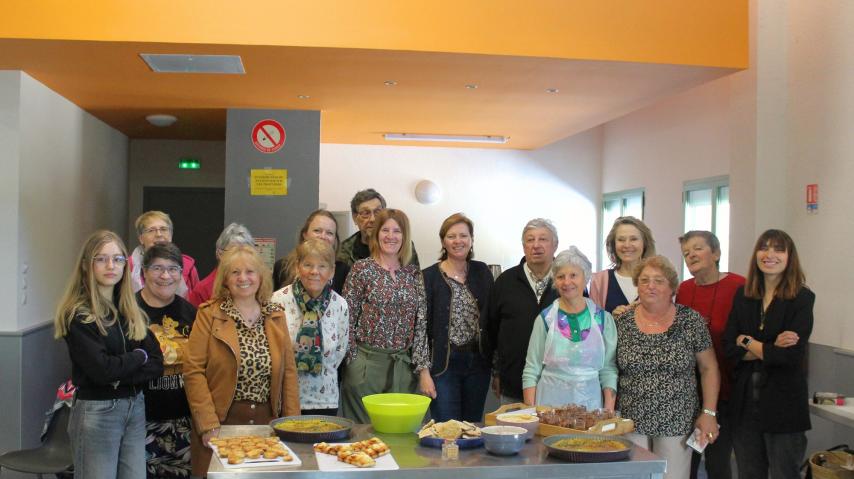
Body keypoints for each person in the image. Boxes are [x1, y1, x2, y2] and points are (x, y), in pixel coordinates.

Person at [53, 230, 164, 479]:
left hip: (135, 406)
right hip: (97, 412)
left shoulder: (129, 310)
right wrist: (138, 357)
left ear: (126, 264)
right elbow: (102, 371)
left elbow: (157, 362)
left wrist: (122, 370)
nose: (111, 265)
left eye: (117, 259)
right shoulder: (78, 314)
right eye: (101, 259)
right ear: (86, 266)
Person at [184, 245, 300, 477]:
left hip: (268, 425)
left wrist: (292, 426)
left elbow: (288, 373)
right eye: (235, 272)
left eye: (250, 271)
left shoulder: (275, 314)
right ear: (225, 279)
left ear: (261, 276)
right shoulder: (209, 314)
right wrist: (208, 424)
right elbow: (193, 371)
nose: (243, 278)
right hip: (221, 423)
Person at [616, 255, 720, 479]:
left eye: (659, 280)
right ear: (637, 285)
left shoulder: (690, 321)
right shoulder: (622, 322)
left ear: (672, 287)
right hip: (630, 420)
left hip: (677, 420)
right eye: (644, 280)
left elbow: (709, 368)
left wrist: (709, 412)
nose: (650, 286)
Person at [723, 230, 814, 479]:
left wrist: (748, 341)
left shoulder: (802, 298)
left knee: (785, 474)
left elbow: (790, 357)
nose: (769, 254)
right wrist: (771, 346)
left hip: (784, 405)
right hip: (745, 406)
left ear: (789, 257)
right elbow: (730, 348)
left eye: (778, 249)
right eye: (764, 248)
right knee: (749, 473)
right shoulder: (743, 295)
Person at [341, 209, 430, 423]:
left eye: (397, 231)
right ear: (377, 234)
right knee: (364, 435)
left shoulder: (413, 274)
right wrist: (353, 363)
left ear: (404, 236)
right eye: (385, 230)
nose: (391, 236)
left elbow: (421, 326)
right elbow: (346, 319)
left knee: (402, 434)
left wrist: (423, 370)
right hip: (366, 366)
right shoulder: (361, 269)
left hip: (403, 367)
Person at [676, 231, 745, 479]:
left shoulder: (739, 285)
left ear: (715, 253)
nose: (691, 255)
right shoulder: (683, 289)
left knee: (718, 460)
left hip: (730, 385)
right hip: (692, 389)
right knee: (690, 459)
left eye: (698, 249)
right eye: (686, 253)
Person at [522, 247, 617, 410]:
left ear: (585, 277)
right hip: (548, 407)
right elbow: (532, 370)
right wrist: (531, 412)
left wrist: (608, 410)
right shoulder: (545, 320)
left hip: (590, 407)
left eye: (573, 275)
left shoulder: (603, 319)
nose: (567, 282)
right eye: (560, 277)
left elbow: (608, 369)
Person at [421, 213, 494, 422]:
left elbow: (492, 320)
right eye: (451, 236)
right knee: (447, 430)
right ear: (443, 241)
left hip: (478, 364)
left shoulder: (482, 271)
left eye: (463, 235)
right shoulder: (428, 276)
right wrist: (423, 372)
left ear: (471, 240)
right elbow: (421, 329)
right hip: (444, 365)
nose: (458, 241)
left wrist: (496, 365)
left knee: (471, 429)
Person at [136, 243, 197, 479]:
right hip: (139, 421)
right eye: (157, 268)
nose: (165, 276)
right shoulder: (128, 311)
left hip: (183, 421)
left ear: (181, 274)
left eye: (173, 269)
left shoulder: (191, 314)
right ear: (144, 273)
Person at [486, 218, 560, 404]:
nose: (536, 245)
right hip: (513, 383)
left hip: (559, 385)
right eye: (530, 240)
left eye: (543, 239)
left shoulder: (568, 282)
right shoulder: (505, 282)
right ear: (523, 246)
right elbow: (491, 331)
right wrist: (497, 372)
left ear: (555, 245)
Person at [271, 239, 350, 415]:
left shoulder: (340, 305)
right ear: (298, 267)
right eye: (308, 265)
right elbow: (272, 351)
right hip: (286, 398)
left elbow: (339, 352)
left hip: (326, 400)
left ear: (332, 271)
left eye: (322, 266)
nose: (315, 272)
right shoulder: (277, 301)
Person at [273, 209, 351, 293]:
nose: (323, 236)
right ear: (305, 235)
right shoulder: (282, 267)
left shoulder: (343, 272)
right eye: (317, 231)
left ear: (335, 240)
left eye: (329, 233)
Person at [337, 188, 420, 267]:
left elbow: (415, 279)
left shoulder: (402, 245)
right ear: (355, 218)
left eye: (377, 212)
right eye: (366, 213)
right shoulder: (344, 251)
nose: (373, 219)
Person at [590, 216, 656, 314]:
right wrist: (611, 320)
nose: (627, 245)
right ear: (613, 244)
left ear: (644, 243)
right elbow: (593, 324)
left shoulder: (658, 280)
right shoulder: (599, 281)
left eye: (633, 239)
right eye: (621, 240)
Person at [128, 211, 200, 299]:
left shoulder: (188, 266)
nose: (159, 234)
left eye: (163, 229)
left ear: (171, 234)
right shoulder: (128, 267)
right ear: (141, 238)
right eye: (151, 230)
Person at [187, 223, 255, 307]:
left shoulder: (256, 283)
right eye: (234, 252)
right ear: (220, 254)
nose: (240, 257)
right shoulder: (202, 290)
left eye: (246, 252)